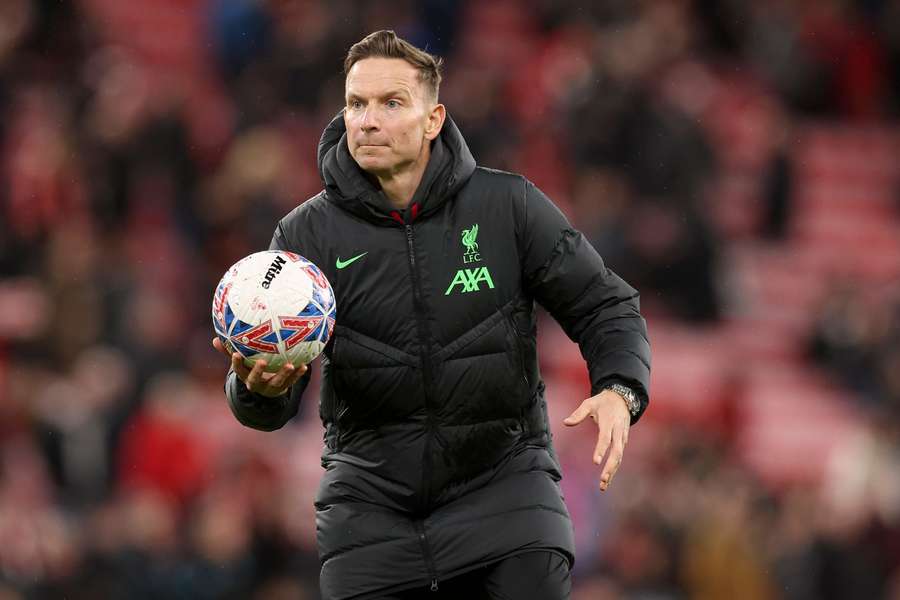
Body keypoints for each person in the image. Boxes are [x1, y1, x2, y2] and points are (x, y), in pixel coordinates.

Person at [213, 30, 651, 600]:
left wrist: (620, 387)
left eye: (391, 103)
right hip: (372, 510)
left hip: (505, 490)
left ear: (433, 119)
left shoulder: (508, 207)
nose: (367, 120)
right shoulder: (303, 237)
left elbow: (605, 303)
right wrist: (257, 390)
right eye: (355, 103)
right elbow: (273, 401)